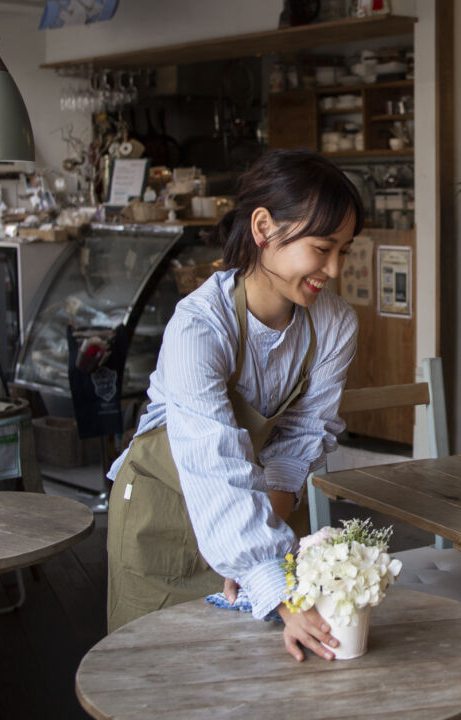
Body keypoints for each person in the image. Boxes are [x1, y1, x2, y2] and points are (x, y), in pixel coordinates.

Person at [106, 149, 362, 663]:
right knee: (155, 677)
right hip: (163, 512)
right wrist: (273, 581)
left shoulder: (333, 325)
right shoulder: (198, 326)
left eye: (345, 251)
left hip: (257, 515)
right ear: (263, 228)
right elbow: (213, 459)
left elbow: (299, 441)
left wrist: (257, 554)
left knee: (248, 685)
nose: (333, 269)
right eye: (322, 248)